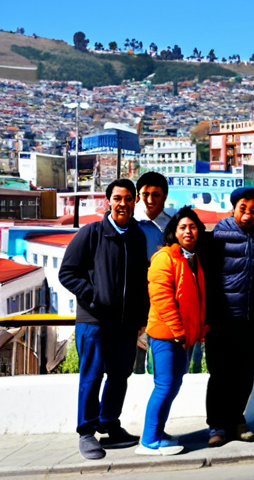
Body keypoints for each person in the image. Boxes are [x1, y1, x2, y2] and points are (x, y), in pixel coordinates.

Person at [58, 179, 150, 460]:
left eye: (128, 198)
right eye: (117, 198)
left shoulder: (137, 236)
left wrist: (140, 317)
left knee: (120, 375)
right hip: (94, 321)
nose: (123, 204)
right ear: (108, 201)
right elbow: (67, 273)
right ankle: (86, 432)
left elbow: (139, 281)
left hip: (125, 324)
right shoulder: (92, 233)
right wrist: (94, 296)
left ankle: (110, 424)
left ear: (135, 201)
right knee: (92, 375)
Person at [204, 186, 254, 447]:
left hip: (252, 319)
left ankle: (237, 420)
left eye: (253, 210)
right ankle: (216, 425)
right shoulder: (216, 236)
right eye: (242, 208)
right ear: (233, 208)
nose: (247, 214)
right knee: (220, 374)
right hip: (221, 320)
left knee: (245, 373)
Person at [137, 207, 207, 456]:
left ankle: (158, 432)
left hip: (184, 337)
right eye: (183, 227)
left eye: (192, 227)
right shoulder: (165, 258)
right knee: (165, 385)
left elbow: (196, 299)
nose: (188, 231)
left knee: (173, 385)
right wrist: (179, 331)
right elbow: (161, 299)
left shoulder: (192, 259)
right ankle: (148, 440)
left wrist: (198, 330)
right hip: (168, 336)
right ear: (173, 232)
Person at [133, 172, 171, 375]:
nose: (150, 200)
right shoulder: (130, 224)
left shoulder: (174, 227)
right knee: (133, 368)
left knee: (162, 367)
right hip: (135, 302)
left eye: (155, 194)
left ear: (165, 196)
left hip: (164, 304)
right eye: (145, 194)